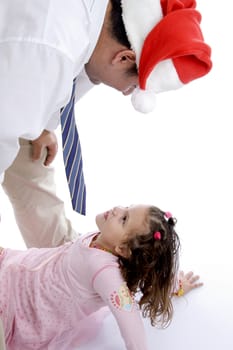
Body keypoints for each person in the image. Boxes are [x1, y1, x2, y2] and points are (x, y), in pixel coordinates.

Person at [0, 0, 212, 186]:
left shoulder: (94, 22)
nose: (124, 93)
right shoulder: (54, 50)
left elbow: (83, 75)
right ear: (123, 58)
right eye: (132, 87)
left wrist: (46, 126)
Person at [0, 201, 202, 350]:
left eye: (124, 219)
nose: (117, 209)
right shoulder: (104, 239)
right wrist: (174, 284)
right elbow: (150, 271)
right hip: (18, 272)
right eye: (126, 207)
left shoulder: (105, 274)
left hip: (21, 308)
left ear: (123, 249)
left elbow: (130, 320)